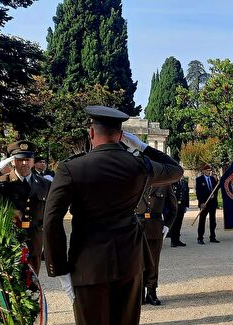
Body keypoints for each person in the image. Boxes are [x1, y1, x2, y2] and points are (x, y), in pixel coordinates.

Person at [43, 106, 183, 325]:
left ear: (91, 133)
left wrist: (59, 270)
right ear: (121, 135)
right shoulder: (138, 165)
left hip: (88, 265)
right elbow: (175, 170)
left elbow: (52, 220)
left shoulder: (71, 168)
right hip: (130, 263)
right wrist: (143, 146)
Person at [0, 141, 51, 274]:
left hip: (34, 240)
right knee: (10, 284)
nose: (24, 163)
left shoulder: (44, 184)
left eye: (28, 159)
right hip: (8, 242)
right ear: (12, 162)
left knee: (33, 285)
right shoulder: (0, 183)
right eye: (20, 159)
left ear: (33, 161)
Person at [137, 185, 177, 306]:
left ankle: (151, 292)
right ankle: (139, 293)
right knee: (138, 262)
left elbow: (173, 207)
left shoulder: (164, 184)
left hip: (155, 227)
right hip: (136, 228)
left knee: (153, 262)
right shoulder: (136, 179)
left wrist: (167, 225)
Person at [195, 164, 219, 244]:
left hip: (212, 203)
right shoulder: (199, 179)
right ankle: (200, 237)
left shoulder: (213, 179)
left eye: (210, 171)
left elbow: (216, 189)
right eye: (207, 171)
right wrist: (201, 203)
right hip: (204, 203)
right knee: (202, 220)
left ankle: (212, 236)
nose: (209, 172)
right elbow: (198, 192)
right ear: (203, 171)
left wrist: (218, 181)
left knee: (213, 221)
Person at [170, 177, 189, 247]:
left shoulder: (184, 182)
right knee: (174, 224)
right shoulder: (172, 181)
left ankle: (177, 240)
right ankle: (173, 241)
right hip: (174, 206)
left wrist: (187, 205)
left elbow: (186, 195)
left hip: (182, 206)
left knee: (179, 224)